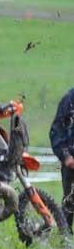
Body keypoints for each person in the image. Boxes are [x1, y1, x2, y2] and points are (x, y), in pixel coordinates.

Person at [49, 88, 74, 231]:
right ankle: (66, 241)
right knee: (69, 203)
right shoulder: (69, 100)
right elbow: (57, 129)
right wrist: (66, 156)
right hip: (72, 162)